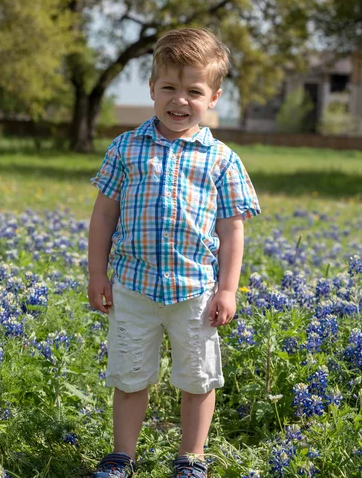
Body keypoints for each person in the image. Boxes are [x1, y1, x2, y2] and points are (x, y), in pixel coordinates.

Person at [88, 28, 261, 478]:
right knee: (129, 376)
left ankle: (192, 457)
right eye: (168, 87)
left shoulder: (222, 159)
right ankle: (122, 456)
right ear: (151, 89)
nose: (179, 100)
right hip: (132, 284)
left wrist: (228, 289)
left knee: (198, 377)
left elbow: (231, 229)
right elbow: (103, 216)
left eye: (193, 90)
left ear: (214, 97)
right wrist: (97, 274)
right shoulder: (125, 148)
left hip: (196, 291)